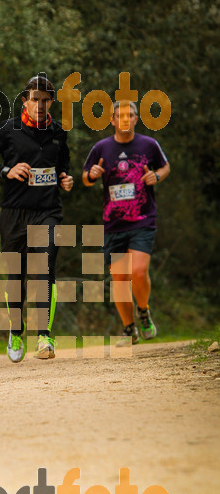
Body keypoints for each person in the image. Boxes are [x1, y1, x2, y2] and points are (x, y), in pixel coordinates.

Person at [0, 74, 73, 363]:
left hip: (48, 211)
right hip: (14, 212)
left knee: (44, 268)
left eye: (45, 100)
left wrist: (65, 179)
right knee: (14, 275)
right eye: (35, 100)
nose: (39, 105)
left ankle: (45, 336)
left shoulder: (58, 131)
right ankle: (16, 331)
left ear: (51, 102)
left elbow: (62, 164)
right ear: (25, 100)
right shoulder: (9, 129)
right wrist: (7, 171)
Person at [82, 100, 170, 343]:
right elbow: (85, 177)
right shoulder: (101, 148)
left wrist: (157, 176)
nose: (124, 119)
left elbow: (165, 167)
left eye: (129, 115)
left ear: (135, 119)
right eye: (119, 115)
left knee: (139, 271)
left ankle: (144, 311)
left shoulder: (149, 144)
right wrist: (91, 175)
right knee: (120, 279)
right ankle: (129, 328)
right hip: (113, 222)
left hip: (142, 218)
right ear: (111, 120)